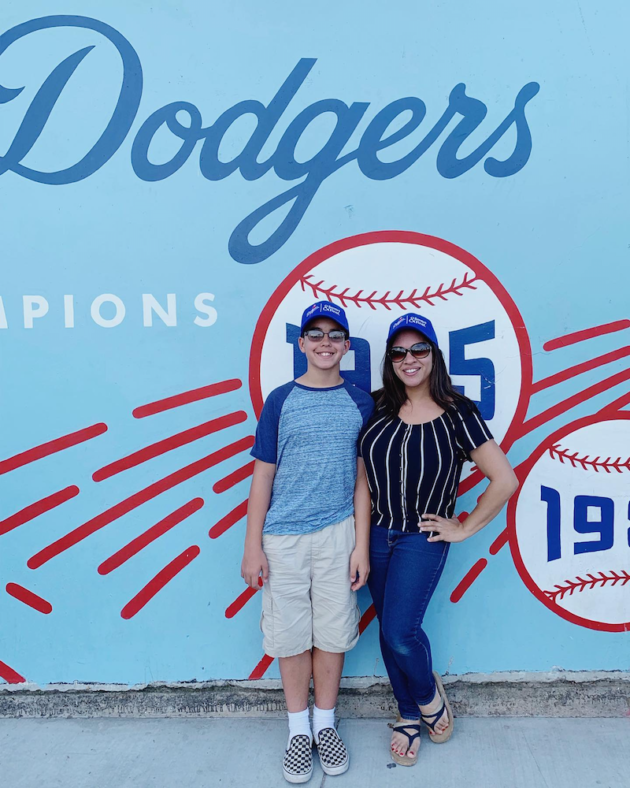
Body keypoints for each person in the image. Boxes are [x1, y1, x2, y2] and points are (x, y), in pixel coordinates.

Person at [359, 313, 518, 766]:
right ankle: (408, 715)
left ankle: (429, 698)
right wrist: (356, 542)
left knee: (399, 631)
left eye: (419, 349)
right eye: (399, 353)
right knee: (389, 637)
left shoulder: (458, 411)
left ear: (433, 355)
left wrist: (463, 526)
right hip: (375, 534)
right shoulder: (375, 408)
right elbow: (362, 481)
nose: (409, 359)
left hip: (420, 538)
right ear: (390, 361)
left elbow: (503, 479)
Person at [241, 300, 374, 783]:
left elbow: (363, 479)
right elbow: (263, 475)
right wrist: (252, 544)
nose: (324, 342)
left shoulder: (361, 402)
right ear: (301, 344)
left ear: (345, 346)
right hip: (283, 538)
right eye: (314, 334)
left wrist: (360, 544)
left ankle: (325, 724)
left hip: (338, 533)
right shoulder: (280, 400)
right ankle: (299, 730)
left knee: (334, 632)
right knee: (290, 635)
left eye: (333, 335)